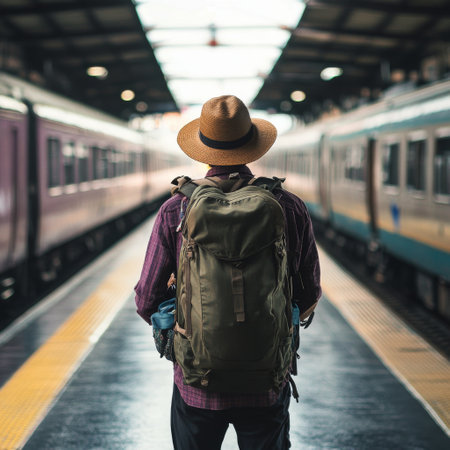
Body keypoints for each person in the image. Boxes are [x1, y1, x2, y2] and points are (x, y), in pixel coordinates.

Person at [135, 95, 321, 450]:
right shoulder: (288, 206)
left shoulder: (177, 209)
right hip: (267, 378)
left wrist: (186, 327)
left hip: (196, 381)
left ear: (204, 151)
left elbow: (146, 299)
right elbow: (309, 292)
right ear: (252, 147)